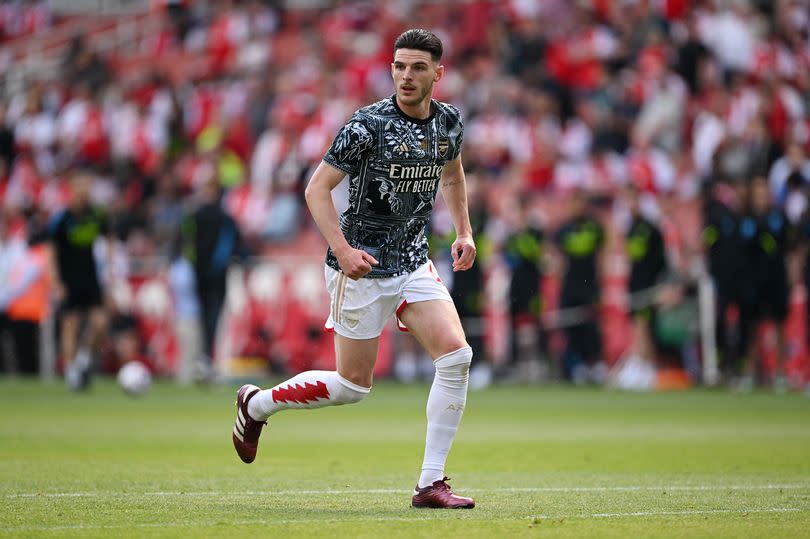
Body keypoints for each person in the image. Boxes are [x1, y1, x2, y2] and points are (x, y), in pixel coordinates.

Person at [231, 29, 477, 509]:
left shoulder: (448, 122)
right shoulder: (367, 125)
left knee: (456, 357)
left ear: (437, 73)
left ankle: (430, 484)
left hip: (411, 262)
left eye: (418, 68)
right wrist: (343, 251)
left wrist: (464, 231)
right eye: (400, 66)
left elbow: (452, 173)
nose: (407, 76)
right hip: (360, 268)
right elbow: (315, 189)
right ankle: (255, 404)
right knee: (352, 387)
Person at [47, 170, 112, 390]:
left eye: (88, 187)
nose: (85, 192)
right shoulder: (62, 217)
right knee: (70, 324)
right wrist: (55, 282)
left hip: (90, 276)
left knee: (100, 322)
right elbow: (51, 250)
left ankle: (83, 359)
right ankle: (71, 371)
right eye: (81, 187)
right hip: (68, 277)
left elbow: (110, 237)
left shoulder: (97, 214)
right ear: (72, 189)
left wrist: (110, 270)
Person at [181, 173, 242, 380]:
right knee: (209, 317)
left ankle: (207, 358)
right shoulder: (216, 216)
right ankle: (206, 358)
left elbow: (189, 244)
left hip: (209, 274)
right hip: (208, 274)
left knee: (210, 317)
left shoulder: (205, 215)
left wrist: (200, 266)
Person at [554, 189, 605, 383]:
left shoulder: (595, 227)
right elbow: (556, 257)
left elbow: (602, 257)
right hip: (570, 286)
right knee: (570, 328)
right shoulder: (563, 229)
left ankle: (594, 365)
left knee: (591, 328)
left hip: (590, 286)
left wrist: (600, 285)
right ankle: (575, 367)